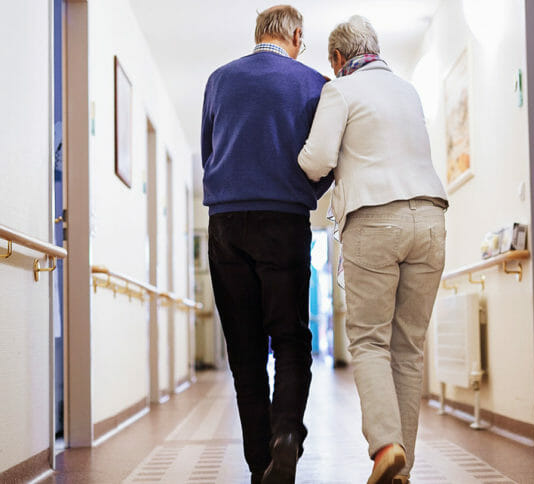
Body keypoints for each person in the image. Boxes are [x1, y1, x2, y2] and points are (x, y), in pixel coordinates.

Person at [298, 16, 448, 484]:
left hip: (375, 219)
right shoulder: (408, 90)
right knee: (409, 348)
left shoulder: (341, 90)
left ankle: (386, 447)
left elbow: (316, 160)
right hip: (430, 218)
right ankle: (402, 469)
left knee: (368, 341)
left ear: (338, 60)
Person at [200, 5, 331, 484]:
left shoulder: (218, 79)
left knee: (245, 351)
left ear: (259, 35)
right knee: (292, 339)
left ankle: (261, 467)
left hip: (226, 222)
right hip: (284, 219)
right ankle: (286, 438)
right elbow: (326, 158)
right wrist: (304, 194)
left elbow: (208, 151)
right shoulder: (314, 83)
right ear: (296, 35)